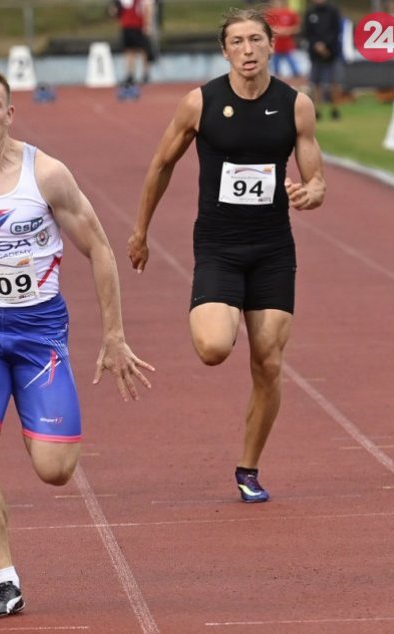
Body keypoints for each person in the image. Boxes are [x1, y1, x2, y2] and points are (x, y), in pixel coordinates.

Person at [0, 66, 153, 618]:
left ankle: (34, 418)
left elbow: (99, 248)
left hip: (40, 331)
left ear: (9, 113)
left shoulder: (45, 174)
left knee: (56, 470)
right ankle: (6, 578)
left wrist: (113, 335)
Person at [127, 8, 326, 504]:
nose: (248, 49)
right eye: (237, 41)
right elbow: (161, 164)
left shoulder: (296, 105)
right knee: (215, 348)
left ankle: (249, 468)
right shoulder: (200, 103)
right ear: (225, 51)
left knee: (269, 363)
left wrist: (311, 192)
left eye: (256, 39)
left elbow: (316, 176)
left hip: (274, 247)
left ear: (270, 45)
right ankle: (217, 306)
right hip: (218, 245)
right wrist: (140, 231)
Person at [303, 0, 342, 120]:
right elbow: (307, 32)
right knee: (316, 83)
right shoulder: (310, 12)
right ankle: (317, 110)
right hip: (315, 53)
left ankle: (335, 109)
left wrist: (326, 45)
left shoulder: (333, 10)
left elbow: (336, 30)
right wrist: (317, 45)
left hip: (331, 52)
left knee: (333, 82)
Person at [112, 0, 155, 92]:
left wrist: (147, 25)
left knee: (144, 50)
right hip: (127, 27)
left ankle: (145, 74)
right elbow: (116, 10)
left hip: (139, 26)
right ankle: (130, 74)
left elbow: (148, 8)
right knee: (129, 50)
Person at [265, 0, 302, 82]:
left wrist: (287, 31)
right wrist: (278, 31)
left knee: (295, 68)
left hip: (288, 46)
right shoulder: (269, 14)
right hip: (275, 46)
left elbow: (297, 27)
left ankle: (298, 84)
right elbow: (266, 28)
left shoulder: (290, 13)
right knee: (275, 70)